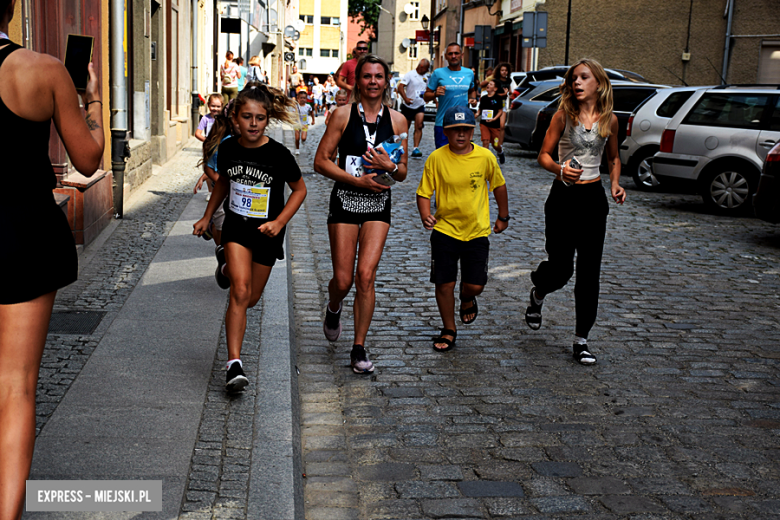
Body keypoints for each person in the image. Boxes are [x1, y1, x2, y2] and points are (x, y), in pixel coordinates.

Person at [0, 1, 105, 516]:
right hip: (22, 231)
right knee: (16, 386)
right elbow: (88, 158)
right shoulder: (41, 70)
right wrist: (93, 98)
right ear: (12, 8)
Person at [193, 83, 307, 391]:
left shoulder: (279, 155)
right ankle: (233, 364)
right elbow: (223, 185)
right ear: (235, 119)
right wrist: (207, 217)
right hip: (237, 228)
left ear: (267, 118)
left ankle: (228, 268)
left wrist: (279, 222)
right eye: (246, 117)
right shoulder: (228, 148)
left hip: (267, 234)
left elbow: (299, 190)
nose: (253, 124)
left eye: (259, 118)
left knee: (251, 298)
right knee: (240, 293)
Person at [526, 58, 626, 366]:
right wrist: (559, 170)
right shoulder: (562, 116)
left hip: (593, 200)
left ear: (599, 82)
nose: (577, 83)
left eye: (583, 77)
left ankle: (581, 339)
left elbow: (613, 158)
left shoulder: (610, 120)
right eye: (573, 79)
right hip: (563, 199)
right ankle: (538, 291)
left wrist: (616, 183)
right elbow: (543, 155)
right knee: (561, 269)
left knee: (589, 273)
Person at [313, 54, 408, 374]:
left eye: (378, 76)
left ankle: (358, 346)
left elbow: (403, 172)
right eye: (366, 76)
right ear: (358, 81)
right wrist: (356, 180)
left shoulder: (397, 121)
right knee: (342, 279)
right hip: (346, 200)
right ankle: (334, 306)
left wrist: (389, 167)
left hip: (378, 204)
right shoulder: (341, 115)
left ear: (387, 81)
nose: (372, 82)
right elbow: (321, 161)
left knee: (365, 275)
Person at [416, 106, 508, 352]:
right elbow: (424, 193)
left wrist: (503, 216)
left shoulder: (485, 157)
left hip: (477, 231)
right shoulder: (436, 158)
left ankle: (467, 298)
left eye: (465, 130)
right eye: (455, 130)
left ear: (472, 131)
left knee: (475, 284)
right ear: (446, 132)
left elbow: (499, 186)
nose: (460, 135)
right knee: (444, 284)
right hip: (445, 230)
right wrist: (425, 214)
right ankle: (448, 328)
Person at [424, 42, 477, 149]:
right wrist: (435, 94)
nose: (453, 56)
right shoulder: (438, 73)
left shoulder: (469, 73)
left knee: (461, 155)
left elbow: (472, 90)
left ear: (461, 55)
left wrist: (473, 98)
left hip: (463, 122)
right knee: (442, 156)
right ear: (446, 57)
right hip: (443, 122)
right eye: (450, 54)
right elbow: (426, 96)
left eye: (456, 53)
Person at [397, 58, 430, 158]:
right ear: (421, 66)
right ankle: (401, 147)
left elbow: (427, 89)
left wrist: (432, 100)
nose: (427, 70)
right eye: (426, 68)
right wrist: (405, 98)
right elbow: (400, 87)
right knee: (405, 128)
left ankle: (415, 148)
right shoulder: (410, 74)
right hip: (409, 105)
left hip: (420, 104)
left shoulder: (425, 77)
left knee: (419, 125)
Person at [478, 80, 505, 163]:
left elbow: (500, 111)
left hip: (494, 125)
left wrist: (494, 119)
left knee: (495, 145)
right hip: (484, 123)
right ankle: (485, 160)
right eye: (488, 84)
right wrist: (475, 115)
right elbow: (480, 110)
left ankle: (500, 152)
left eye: (491, 84)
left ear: (495, 88)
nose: (488, 85)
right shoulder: (483, 98)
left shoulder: (498, 98)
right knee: (485, 141)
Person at [293, 89, 313, 155]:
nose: (302, 99)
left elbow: (311, 113)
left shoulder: (308, 106)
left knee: (303, 138)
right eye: (301, 98)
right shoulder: (296, 106)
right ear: (298, 98)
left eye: (304, 98)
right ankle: (297, 149)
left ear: (306, 99)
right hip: (297, 123)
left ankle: (303, 140)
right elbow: (293, 114)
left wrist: (313, 120)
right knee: (297, 138)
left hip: (305, 124)